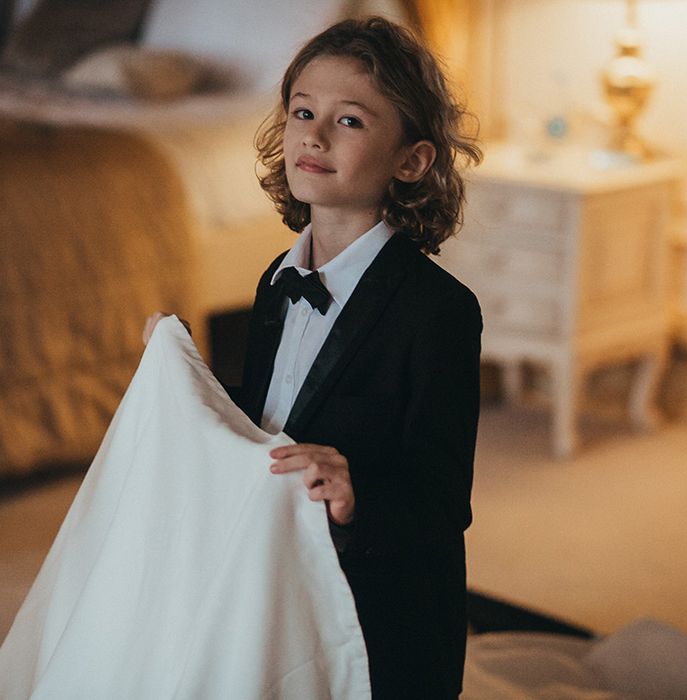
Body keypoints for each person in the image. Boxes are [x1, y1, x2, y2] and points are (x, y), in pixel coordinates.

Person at [145, 15, 482, 699]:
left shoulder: (438, 311)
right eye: (302, 110)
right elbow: (269, 423)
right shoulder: (278, 277)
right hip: (280, 584)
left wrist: (357, 493)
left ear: (412, 160)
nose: (315, 134)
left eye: (350, 121)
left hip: (376, 616)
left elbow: (442, 503)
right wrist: (184, 374)